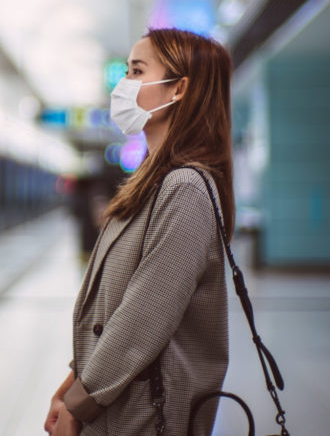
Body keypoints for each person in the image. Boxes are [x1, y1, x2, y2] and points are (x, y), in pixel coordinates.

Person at [44, 28, 234, 436]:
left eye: (136, 71)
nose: (123, 85)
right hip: (120, 401)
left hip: (148, 415)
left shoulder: (184, 189)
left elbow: (144, 316)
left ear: (178, 89)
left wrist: (79, 404)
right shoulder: (152, 181)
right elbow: (115, 308)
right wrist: (73, 380)